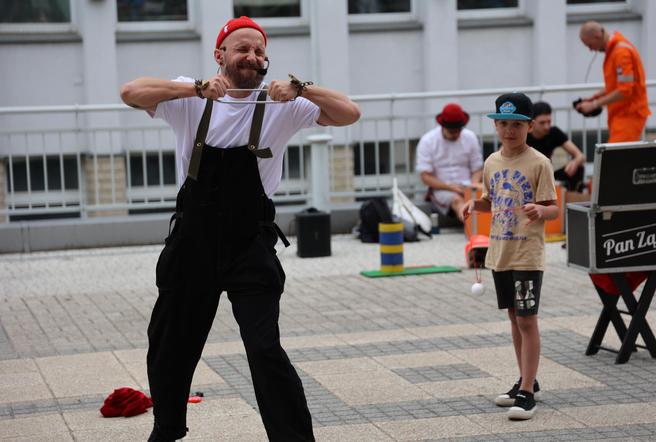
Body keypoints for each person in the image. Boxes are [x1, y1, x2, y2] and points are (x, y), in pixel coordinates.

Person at [120, 16, 360, 442]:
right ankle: (168, 428)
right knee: (169, 344)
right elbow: (130, 93)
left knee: (265, 349)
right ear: (220, 55)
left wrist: (302, 88)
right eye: (242, 48)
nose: (251, 56)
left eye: (259, 51)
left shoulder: (281, 104)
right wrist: (194, 88)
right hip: (193, 244)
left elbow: (349, 113)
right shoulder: (191, 97)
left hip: (250, 245)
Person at [461, 93, 558, 420]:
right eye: (502, 123)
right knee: (514, 320)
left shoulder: (539, 163)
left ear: (530, 126)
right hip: (499, 253)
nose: (508, 130)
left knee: (527, 320)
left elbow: (554, 209)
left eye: (516, 124)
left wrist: (541, 210)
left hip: (527, 255)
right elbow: (491, 200)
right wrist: (474, 205)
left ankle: (527, 392)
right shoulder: (491, 162)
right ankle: (526, 379)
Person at [576, 21, 650, 142]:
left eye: (589, 45)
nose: (590, 50)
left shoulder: (620, 53)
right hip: (622, 116)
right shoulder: (615, 50)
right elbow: (616, 86)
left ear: (597, 36)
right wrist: (594, 97)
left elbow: (625, 90)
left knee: (616, 158)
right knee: (620, 157)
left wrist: (594, 104)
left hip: (629, 115)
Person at [416, 103, 483, 222]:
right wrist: (450, 187)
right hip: (442, 188)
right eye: (452, 132)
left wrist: (472, 185)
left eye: (458, 130)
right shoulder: (427, 141)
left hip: (468, 185)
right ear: (443, 126)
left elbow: (477, 168)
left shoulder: (470, 137)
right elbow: (425, 176)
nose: (456, 134)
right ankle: (472, 229)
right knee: (457, 201)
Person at [527, 101, 586, 191]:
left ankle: (574, 198)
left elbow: (580, 156)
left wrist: (575, 162)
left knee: (578, 167)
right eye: (542, 123)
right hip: (527, 177)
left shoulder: (554, 132)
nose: (547, 126)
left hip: (548, 176)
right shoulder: (523, 135)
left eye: (549, 122)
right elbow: (503, 154)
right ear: (532, 123)